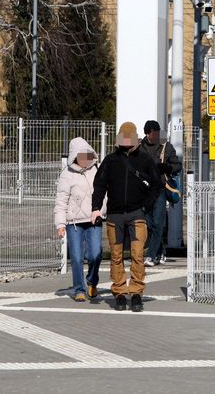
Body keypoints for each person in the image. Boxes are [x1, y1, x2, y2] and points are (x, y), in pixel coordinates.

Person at [91, 122, 162, 312]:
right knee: (116, 256)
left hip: (137, 214)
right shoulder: (110, 160)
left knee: (138, 254)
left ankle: (136, 292)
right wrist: (96, 208)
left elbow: (156, 185)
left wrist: (145, 206)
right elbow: (99, 185)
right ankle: (120, 293)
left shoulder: (145, 159)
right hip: (114, 216)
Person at [54, 137, 106, 302]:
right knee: (76, 257)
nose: (85, 159)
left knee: (96, 254)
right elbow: (61, 200)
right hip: (73, 222)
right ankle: (79, 289)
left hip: (94, 219)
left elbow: (105, 194)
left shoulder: (97, 170)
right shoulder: (66, 174)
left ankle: (92, 281)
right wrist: (60, 224)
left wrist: (100, 212)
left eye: (87, 155)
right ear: (74, 156)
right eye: (81, 156)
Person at [139, 120, 182, 266]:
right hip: (143, 190)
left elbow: (177, 166)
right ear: (147, 133)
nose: (156, 135)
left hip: (160, 189)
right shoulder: (139, 148)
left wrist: (167, 168)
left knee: (158, 222)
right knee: (148, 223)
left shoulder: (166, 147)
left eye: (158, 132)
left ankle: (150, 256)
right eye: (154, 132)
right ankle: (160, 251)